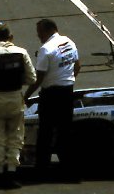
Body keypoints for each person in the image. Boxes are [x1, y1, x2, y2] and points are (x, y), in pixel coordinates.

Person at [23, 18, 81, 179]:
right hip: (67, 92)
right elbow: (77, 66)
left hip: (51, 95)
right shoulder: (69, 42)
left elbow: (38, 78)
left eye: (40, 33)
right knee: (65, 131)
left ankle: (42, 169)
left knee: (45, 133)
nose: (39, 36)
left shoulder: (46, 49)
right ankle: (69, 170)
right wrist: (67, 80)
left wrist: (26, 96)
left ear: (48, 30)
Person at [0, 23, 37, 189]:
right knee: (15, 137)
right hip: (15, 98)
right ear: (10, 37)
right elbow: (32, 78)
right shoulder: (21, 52)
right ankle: (11, 173)